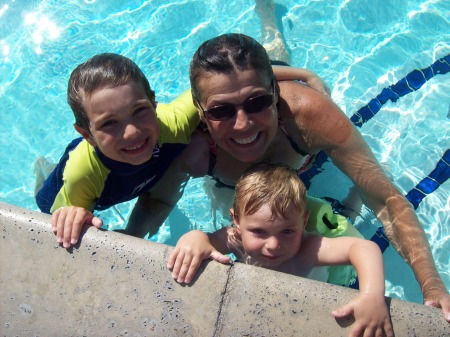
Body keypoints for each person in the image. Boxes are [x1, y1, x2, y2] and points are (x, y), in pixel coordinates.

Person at [162, 32, 449, 321]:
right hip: (244, 180)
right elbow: (158, 200)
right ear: (200, 112)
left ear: (274, 93)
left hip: (294, 137)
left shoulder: (310, 116)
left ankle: (271, 29)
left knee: (276, 55)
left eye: (257, 102)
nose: (243, 124)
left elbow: (387, 201)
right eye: (221, 110)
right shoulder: (193, 150)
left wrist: (432, 285)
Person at [34, 52, 328, 249]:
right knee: (47, 204)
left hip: (139, 179)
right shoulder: (82, 173)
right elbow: (67, 228)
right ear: (87, 134)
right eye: (110, 123)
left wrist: (305, 74)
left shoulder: (173, 122)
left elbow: (239, 81)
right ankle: (42, 170)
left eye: (139, 111)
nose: (132, 131)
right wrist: (70, 215)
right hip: (85, 188)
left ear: (154, 102)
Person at [168, 163, 394, 337]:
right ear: (236, 221)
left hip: (334, 275)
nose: (273, 245)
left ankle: (358, 191)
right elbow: (204, 240)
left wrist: (371, 296)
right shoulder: (234, 238)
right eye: (259, 231)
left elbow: (364, 248)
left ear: (304, 222)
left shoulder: (310, 249)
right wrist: (193, 238)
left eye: (287, 231)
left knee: (347, 217)